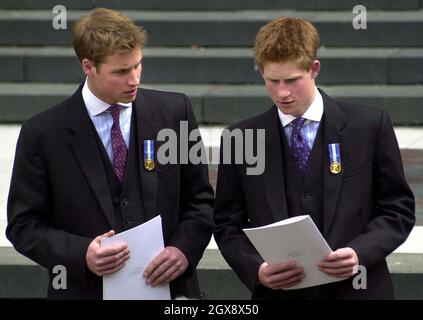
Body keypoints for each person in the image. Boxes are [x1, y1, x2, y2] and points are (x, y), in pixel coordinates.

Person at [6, 8, 214, 300]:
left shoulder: (175, 112)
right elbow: (23, 225)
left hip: (171, 292)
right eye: (121, 71)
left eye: (137, 65)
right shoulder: (41, 133)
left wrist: (183, 249)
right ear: (88, 67)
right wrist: (82, 254)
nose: (134, 79)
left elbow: (201, 200)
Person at [213, 17, 415, 299]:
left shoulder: (369, 126)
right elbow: (226, 224)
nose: (283, 92)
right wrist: (257, 269)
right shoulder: (240, 138)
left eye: (293, 80)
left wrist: (359, 252)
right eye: (273, 81)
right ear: (261, 74)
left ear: (314, 69)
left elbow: (397, 209)